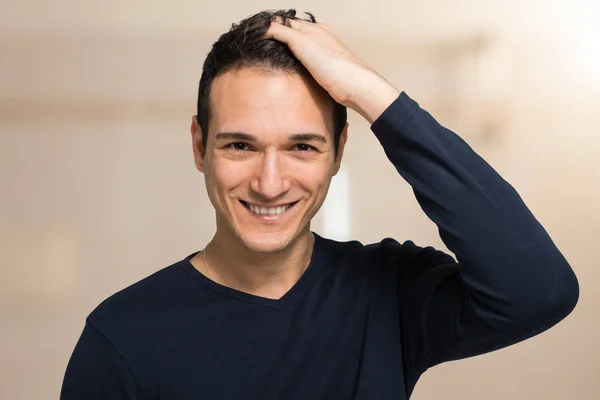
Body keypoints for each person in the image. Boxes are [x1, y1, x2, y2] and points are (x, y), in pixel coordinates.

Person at [60, 9, 579, 400]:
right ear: (199, 147)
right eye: (240, 145)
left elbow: (539, 290)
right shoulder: (123, 336)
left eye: (301, 146)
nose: (269, 182)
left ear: (338, 152)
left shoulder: (387, 293)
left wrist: (375, 97)